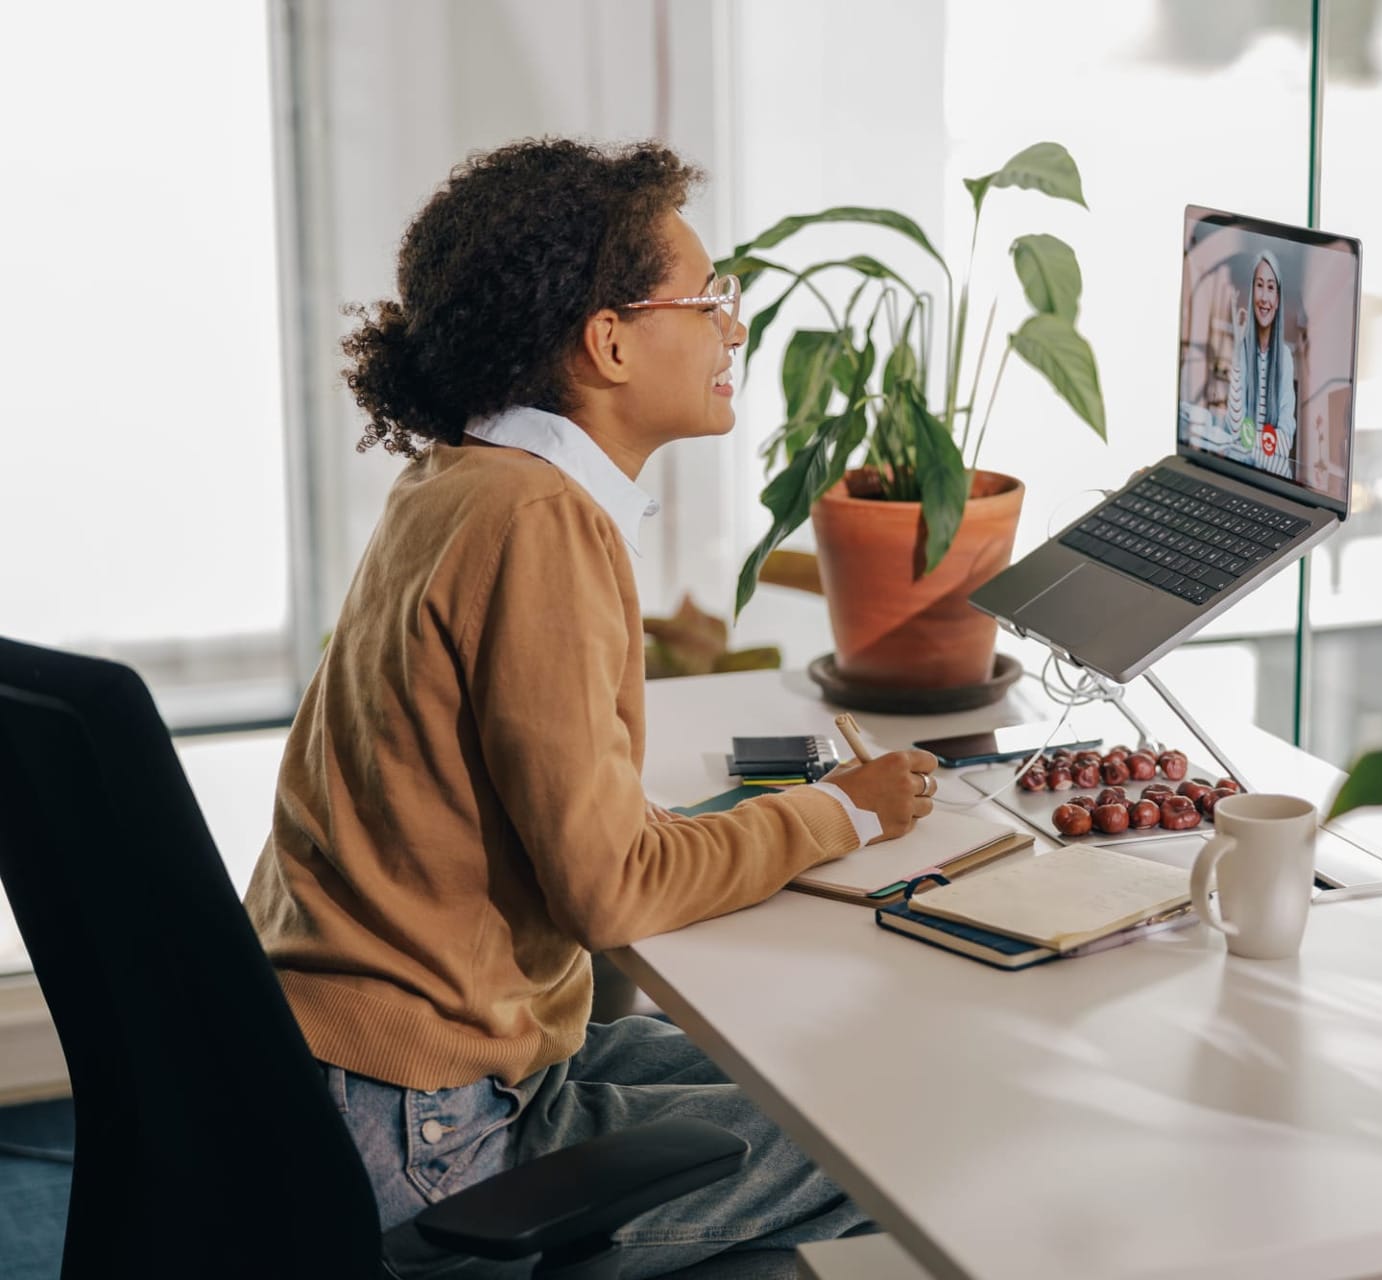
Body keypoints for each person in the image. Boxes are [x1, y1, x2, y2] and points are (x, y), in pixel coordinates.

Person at [244, 138, 938, 1279]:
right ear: (608, 341)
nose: (735, 328)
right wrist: (842, 816)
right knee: (904, 1126)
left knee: (828, 1068)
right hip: (434, 1132)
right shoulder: (540, 523)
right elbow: (611, 887)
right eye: (711, 300)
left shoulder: (457, 480)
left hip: (345, 1076)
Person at [1225, 250, 1298, 478]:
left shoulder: (1285, 357)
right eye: (1259, 285)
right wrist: (1237, 348)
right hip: (1241, 475)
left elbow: (1285, 442)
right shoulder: (1244, 351)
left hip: (1273, 480)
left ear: (1277, 299)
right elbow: (1234, 426)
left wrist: (1247, 442)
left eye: (1270, 287)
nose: (1264, 297)